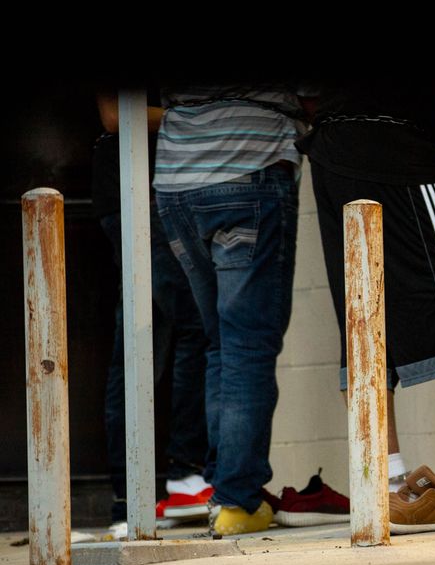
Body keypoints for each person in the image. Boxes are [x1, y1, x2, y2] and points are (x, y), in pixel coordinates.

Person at [297, 75, 435, 521]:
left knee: (363, 307)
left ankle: (385, 481)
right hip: (394, 142)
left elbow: (307, 94)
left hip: (331, 149)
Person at [153, 85, 303, 535]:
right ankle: (237, 499)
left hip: (176, 178)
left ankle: (225, 492)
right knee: (247, 344)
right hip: (248, 161)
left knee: (221, 341)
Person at [91, 92, 210, 536]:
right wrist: (204, 115)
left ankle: (134, 493)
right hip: (140, 188)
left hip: (144, 187)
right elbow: (115, 115)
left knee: (143, 335)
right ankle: (184, 474)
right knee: (194, 324)